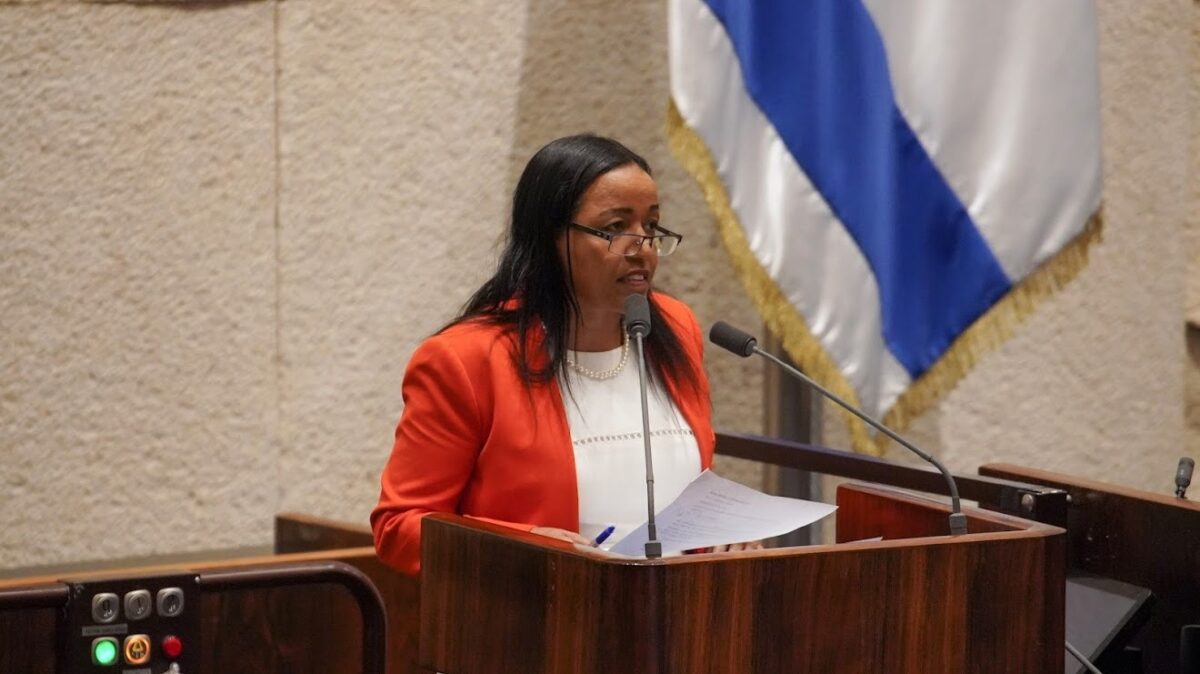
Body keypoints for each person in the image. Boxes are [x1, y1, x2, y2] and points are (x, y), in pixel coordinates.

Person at [371, 134, 750, 576]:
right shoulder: (466, 360)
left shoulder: (674, 328)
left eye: (651, 226)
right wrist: (524, 550)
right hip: (538, 609)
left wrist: (724, 534)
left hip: (678, 607)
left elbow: (684, 491)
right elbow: (399, 527)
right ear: (551, 237)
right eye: (615, 228)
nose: (643, 246)